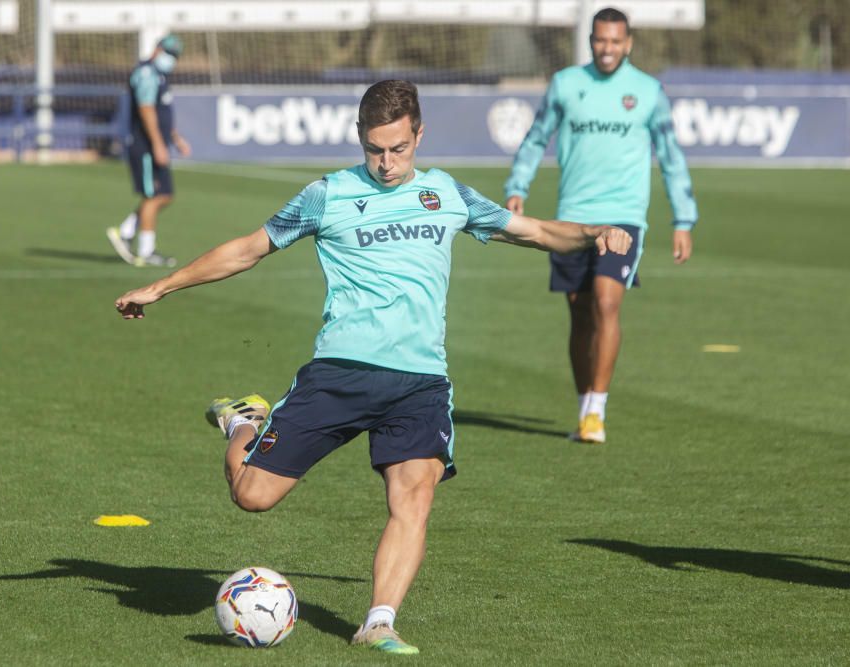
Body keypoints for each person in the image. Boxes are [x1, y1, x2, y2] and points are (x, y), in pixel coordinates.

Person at [114, 80, 631, 655]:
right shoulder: (326, 195)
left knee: (413, 498)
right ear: (360, 138)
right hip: (340, 372)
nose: (386, 163)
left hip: (419, 382)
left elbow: (534, 232)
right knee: (252, 495)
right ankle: (242, 423)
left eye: (399, 149)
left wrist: (593, 232)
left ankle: (379, 621)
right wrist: (163, 286)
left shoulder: (447, 195)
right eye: (375, 150)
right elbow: (247, 249)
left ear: (419, 135)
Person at [504, 7, 698, 444]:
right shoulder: (567, 85)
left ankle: (597, 410)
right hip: (572, 217)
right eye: (600, 40)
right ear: (590, 40)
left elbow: (670, 155)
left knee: (607, 304)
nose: (607, 49)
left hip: (624, 216)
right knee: (579, 313)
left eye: (615, 41)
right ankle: (582, 406)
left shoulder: (648, 91)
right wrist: (518, 186)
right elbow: (537, 137)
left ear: (628, 43)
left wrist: (683, 219)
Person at [107, 34, 191, 268]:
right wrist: (157, 144)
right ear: (157, 49)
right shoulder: (146, 74)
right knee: (154, 196)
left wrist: (175, 138)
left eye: (175, 55)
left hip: (156, 143)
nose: (171, 59)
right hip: (145, 146)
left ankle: (125, 232)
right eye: (169, 53)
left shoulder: (160, 75)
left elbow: (161, 113)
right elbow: (146, 110)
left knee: (164, 195)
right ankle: (146, 250)